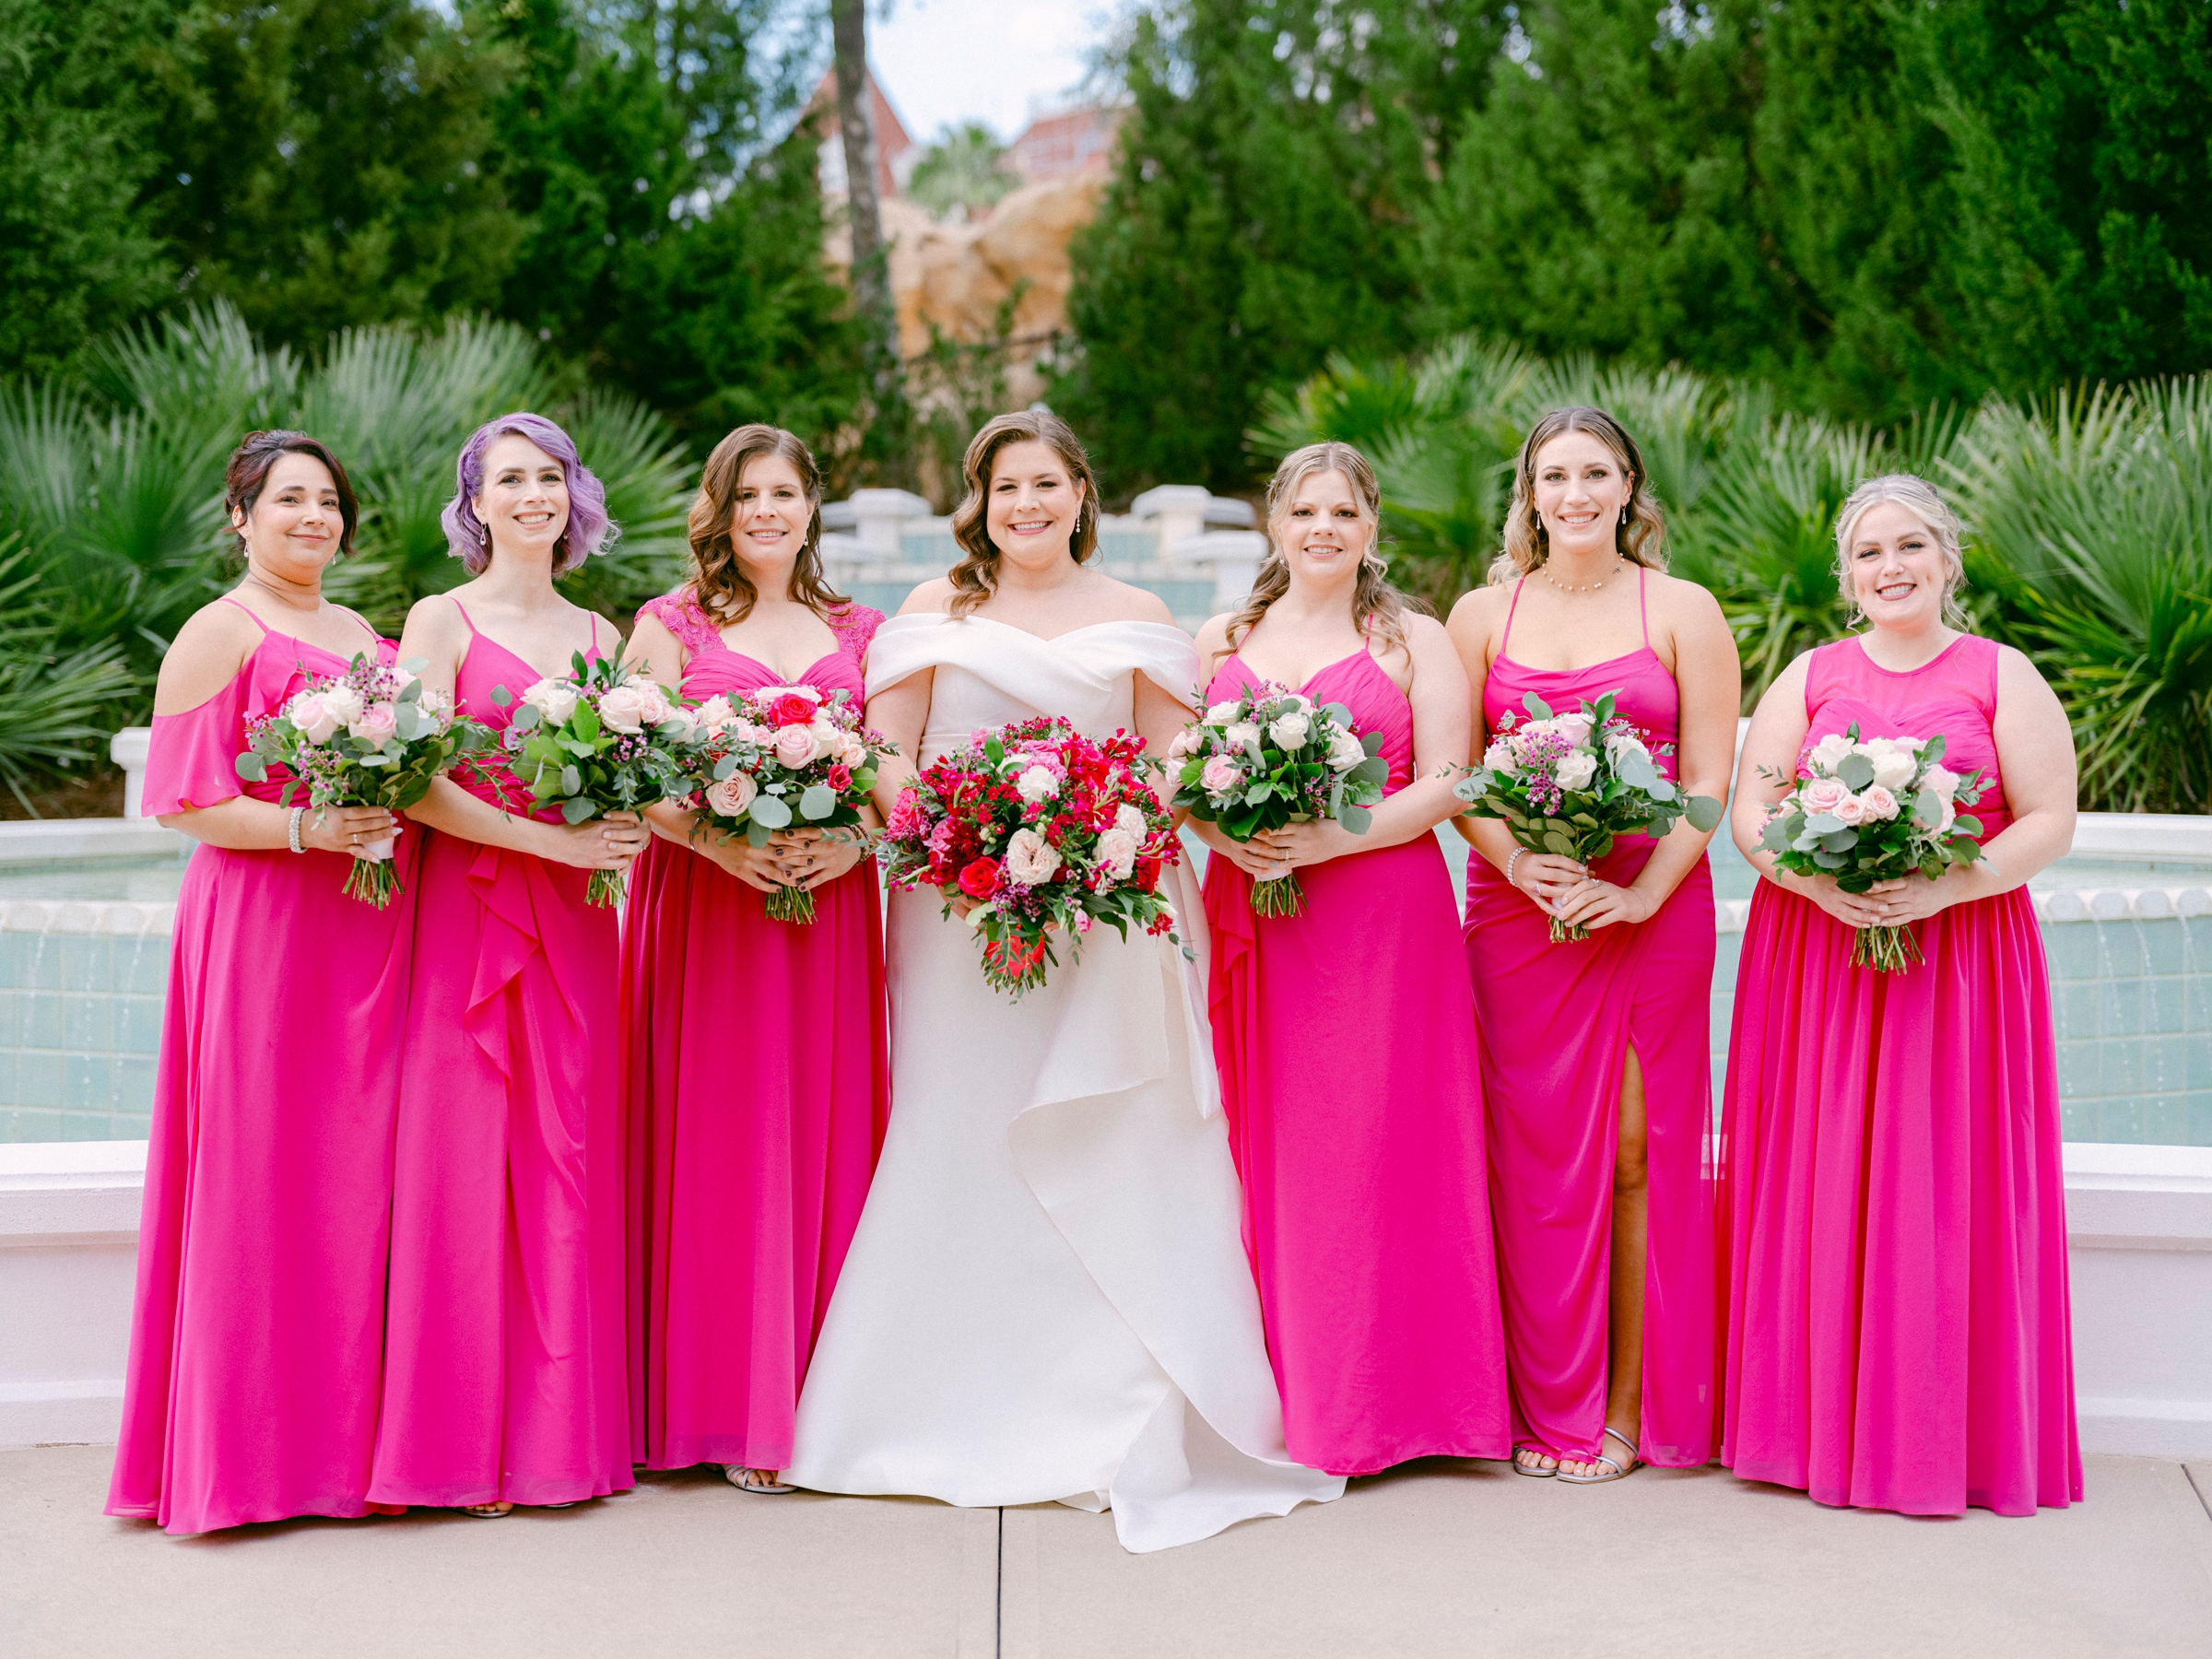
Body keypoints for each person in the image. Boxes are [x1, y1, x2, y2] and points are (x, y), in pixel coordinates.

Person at [784, 411, 1343, 1551]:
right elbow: (887, 754)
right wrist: (953, 836)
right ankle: (928, 1400)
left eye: (1043, 483)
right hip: (954, 915)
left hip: (1103, 913)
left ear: (1081, 492)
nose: (1023, 506)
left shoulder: (1140, 619)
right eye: (1002, 490)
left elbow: (1173, 771)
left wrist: (1097, 837)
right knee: (960, 1127)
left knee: (1110, 1130)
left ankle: (1111, 1397)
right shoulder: (934, 615)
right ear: (979, 505)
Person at [1721, 473, 2081, 1516]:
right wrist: (1819, 886)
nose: (1893, 567)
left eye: (1912, 546)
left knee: (1943, 1182)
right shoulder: (1812, 673)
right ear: (1847, 574)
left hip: (1960, 961)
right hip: (1820, 957)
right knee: (1819, 1172)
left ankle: (1938, 1441)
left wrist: (1942, 887)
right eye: (1872, 551)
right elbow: (1755, 809)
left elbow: (2048, 818)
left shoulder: (2000, 674)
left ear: (1947, 558)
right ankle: (1808, 1431)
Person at [107, 431, 411, 1534]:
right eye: (289, 500)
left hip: (362, 938)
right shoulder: (216, 632)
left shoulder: (367, 640)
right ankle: (241, 1468)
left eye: (329, 500)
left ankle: (341, 1457)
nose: (313, 518)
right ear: (241, 517)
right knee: (254, 1173)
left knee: (350, 1181)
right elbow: (185, 802)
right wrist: (306, 826)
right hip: (264, 930)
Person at [1190, 441, 1510, 1476]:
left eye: (1344, 512)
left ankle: (1398, 1406)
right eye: (1304, 512)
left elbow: (1455, 778)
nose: (1323, 528)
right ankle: (1286, 1395)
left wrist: (1336, 835)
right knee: (1265, 1139)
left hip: (1380, 920)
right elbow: (1185, 778)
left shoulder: (1411, 636)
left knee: (1378, 1144)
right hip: (1260, 913)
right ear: (1275, 526)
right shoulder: (1223, 638)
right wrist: (1229, 835)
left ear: (1372, 526)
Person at [1445, 406, 1740, 1483]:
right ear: (1528, 492)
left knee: (1632, 1156)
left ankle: (1624, 1411)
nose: (1574, 494)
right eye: (1554, 476)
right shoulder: (1481, 615)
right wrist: (1521, 863)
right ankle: (1525, 1396)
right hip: (1519, 909)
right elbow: (1458, 778)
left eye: (1595, 474)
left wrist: (1644, 893)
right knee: (1519, 1155)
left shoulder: (1685, 610)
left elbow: (1709, 788)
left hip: (1647, 912)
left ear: (1630, 488)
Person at [368, 413, 647, 1517]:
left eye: (550, 476)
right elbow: (406, 777)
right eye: (509, 479)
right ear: (475, 503)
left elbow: (634, 780)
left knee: (565, 1155)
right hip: (471, 910)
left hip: (578, 921)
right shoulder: (438, 618)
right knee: (464, 1160)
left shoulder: (601, 633)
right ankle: (458, 1446)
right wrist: (546, 841)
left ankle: (555, 1442)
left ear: (573, 496)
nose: (532, 495)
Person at [620, 425, 890, 1495]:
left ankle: (814, 1401)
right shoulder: (669, 626)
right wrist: (718, 845)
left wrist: (854, 842)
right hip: (708, 907)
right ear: (720, 512)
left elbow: (893, 775)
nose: (767, 513)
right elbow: (632, 774)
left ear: (812, 505)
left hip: (825, 911)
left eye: (785, 493)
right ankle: (716, 1405)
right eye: (748, 497)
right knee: (719, 1133)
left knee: (818, 1127)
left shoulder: (860, 630)